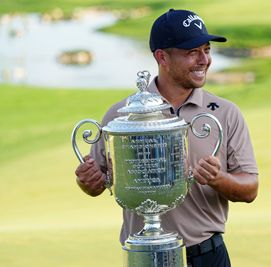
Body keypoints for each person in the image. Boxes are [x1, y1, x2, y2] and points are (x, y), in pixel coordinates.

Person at [75, 8, 258, 267]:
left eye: (206, 49)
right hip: (144, 255)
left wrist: (218, 179)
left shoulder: (226, 113)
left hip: (207, 255)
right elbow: (98, 182)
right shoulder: (122, 115)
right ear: (162, 57)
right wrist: (88, 182)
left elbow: (250, 189)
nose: (203, 60)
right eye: (191, 52)